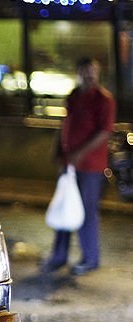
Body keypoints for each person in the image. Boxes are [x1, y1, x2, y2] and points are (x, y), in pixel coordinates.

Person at [42, 57, 116, 276]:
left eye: (93, 70)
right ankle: (59, 256)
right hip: (68, 163)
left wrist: (79, 154)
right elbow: (65, 124)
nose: (89, 74)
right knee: (63, 207)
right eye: (85, 70)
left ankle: (90, 258)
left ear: (98, 72)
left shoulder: (104, 99)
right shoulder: (74, 95)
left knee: (87, 211)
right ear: (78, 72)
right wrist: (58, 150)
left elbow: (104, 131)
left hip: (90, 166)